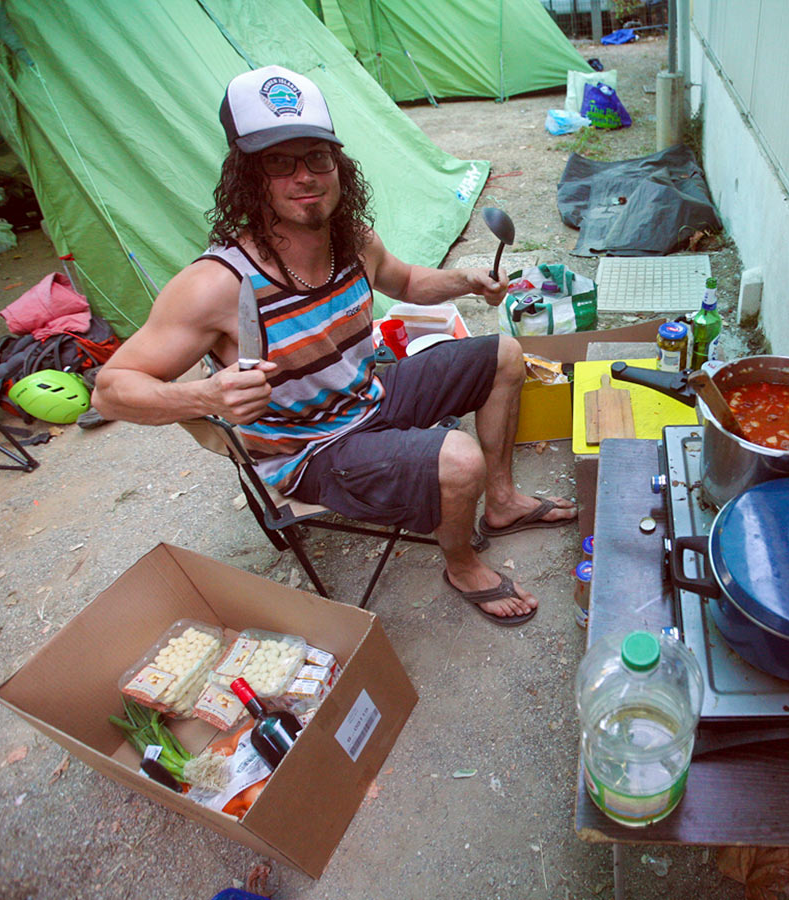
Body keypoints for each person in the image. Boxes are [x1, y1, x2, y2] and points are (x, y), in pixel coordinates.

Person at [92, 65, 575, 625]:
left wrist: (465, 280)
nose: (305, 176)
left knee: (504, 355)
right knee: (457, 458)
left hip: (367, 397)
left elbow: (408, 282)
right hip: (309, 448)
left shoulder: (353, 241)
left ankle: (503, 502)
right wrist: (207, 398)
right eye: (280, 162)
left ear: (338, 165)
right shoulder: (216, 285)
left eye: (317, 157)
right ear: (250, 177)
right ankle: (462, 564)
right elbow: (110, 392)